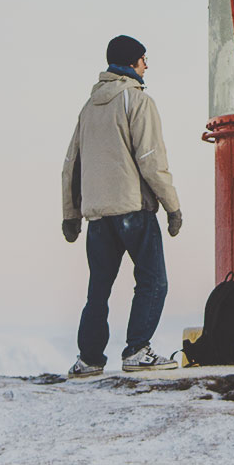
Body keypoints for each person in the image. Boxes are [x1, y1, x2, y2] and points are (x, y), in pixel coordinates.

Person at [62, 34, 183, 377]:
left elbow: (72, 162)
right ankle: (137, 350)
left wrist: (70, 214)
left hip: (98, 217)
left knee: (98, 289)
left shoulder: (89, 108)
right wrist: (172, 207)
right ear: (132, 63)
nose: (147, 65)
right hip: (133, 211)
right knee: (153, 281)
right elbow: (151, 160)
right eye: (144, 59)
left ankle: (89, 359)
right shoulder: (137, 101)